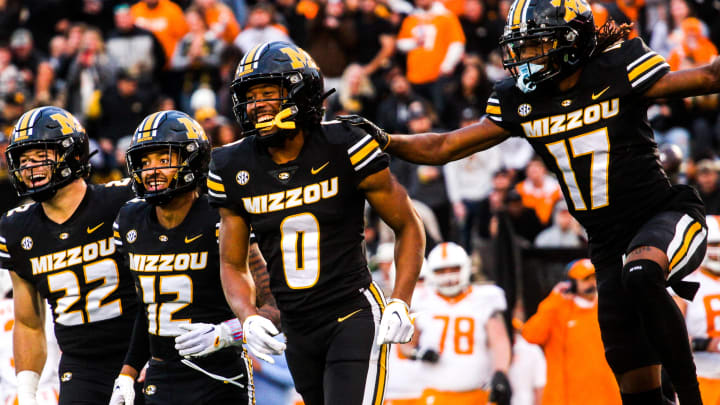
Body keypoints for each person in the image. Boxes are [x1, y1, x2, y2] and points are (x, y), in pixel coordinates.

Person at [342, 0, 720, 401]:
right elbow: (444, 146)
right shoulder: (522, 101)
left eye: (534, 46)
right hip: (607, 247)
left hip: (664, 214)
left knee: (642, 272)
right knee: (637, 391)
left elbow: (708, 77)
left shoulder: (616, 69)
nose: (522, 58)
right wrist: (385, 139)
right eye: (519, 48)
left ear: (570, 42)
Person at [208, 41, 426, 405]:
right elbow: (232, 261)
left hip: (351, 312)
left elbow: (408, 225)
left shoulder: (343, 144)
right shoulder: (233, 166)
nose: (256, 105)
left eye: (267, 93)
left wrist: (400, 300)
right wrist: (247, 315)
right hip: (297, 327)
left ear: (300, 93)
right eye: (250, 96)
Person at [108, 111, 276, 404]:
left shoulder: (220, 215)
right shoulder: (130, 219)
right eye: (145, 162)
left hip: (219, 375)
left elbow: (272, 303)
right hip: (161, 375)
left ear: (192, 160)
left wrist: (226, 334)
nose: (151, 170)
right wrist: (128, 372)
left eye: (163, 159)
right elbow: (147, 310)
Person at [0, 106, 139, 404]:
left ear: (72, 154)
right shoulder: (16, 227)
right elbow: (28, 322)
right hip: (81, 367)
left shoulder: (122, 202)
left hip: (141, 355)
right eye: (23, 160)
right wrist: (27, 392)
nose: (29, 168)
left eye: (40, 157)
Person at [411, 242, 512, 405]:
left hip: (477, 393)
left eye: (454, 269)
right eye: (441, 271)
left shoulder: (485, 298)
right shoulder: (421, 300)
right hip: (436, 393)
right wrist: (419, 353)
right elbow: (407, 344)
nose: (449, 276)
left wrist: (501, 373)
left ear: (466, 267)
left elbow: (499, 341)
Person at [522, 259, 621, 405]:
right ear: (572, 284)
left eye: (594, 278)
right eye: (586, 279)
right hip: (567, 398)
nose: (592, 283)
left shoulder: (608, 308)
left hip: (607, 397)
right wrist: (554, 300)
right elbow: (531, 335)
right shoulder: (557, 309)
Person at [674, 215, 720, 405]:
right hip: (701, 377)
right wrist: (703, 344)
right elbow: (669, 338)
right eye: (715, 244)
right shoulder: (685, 284)